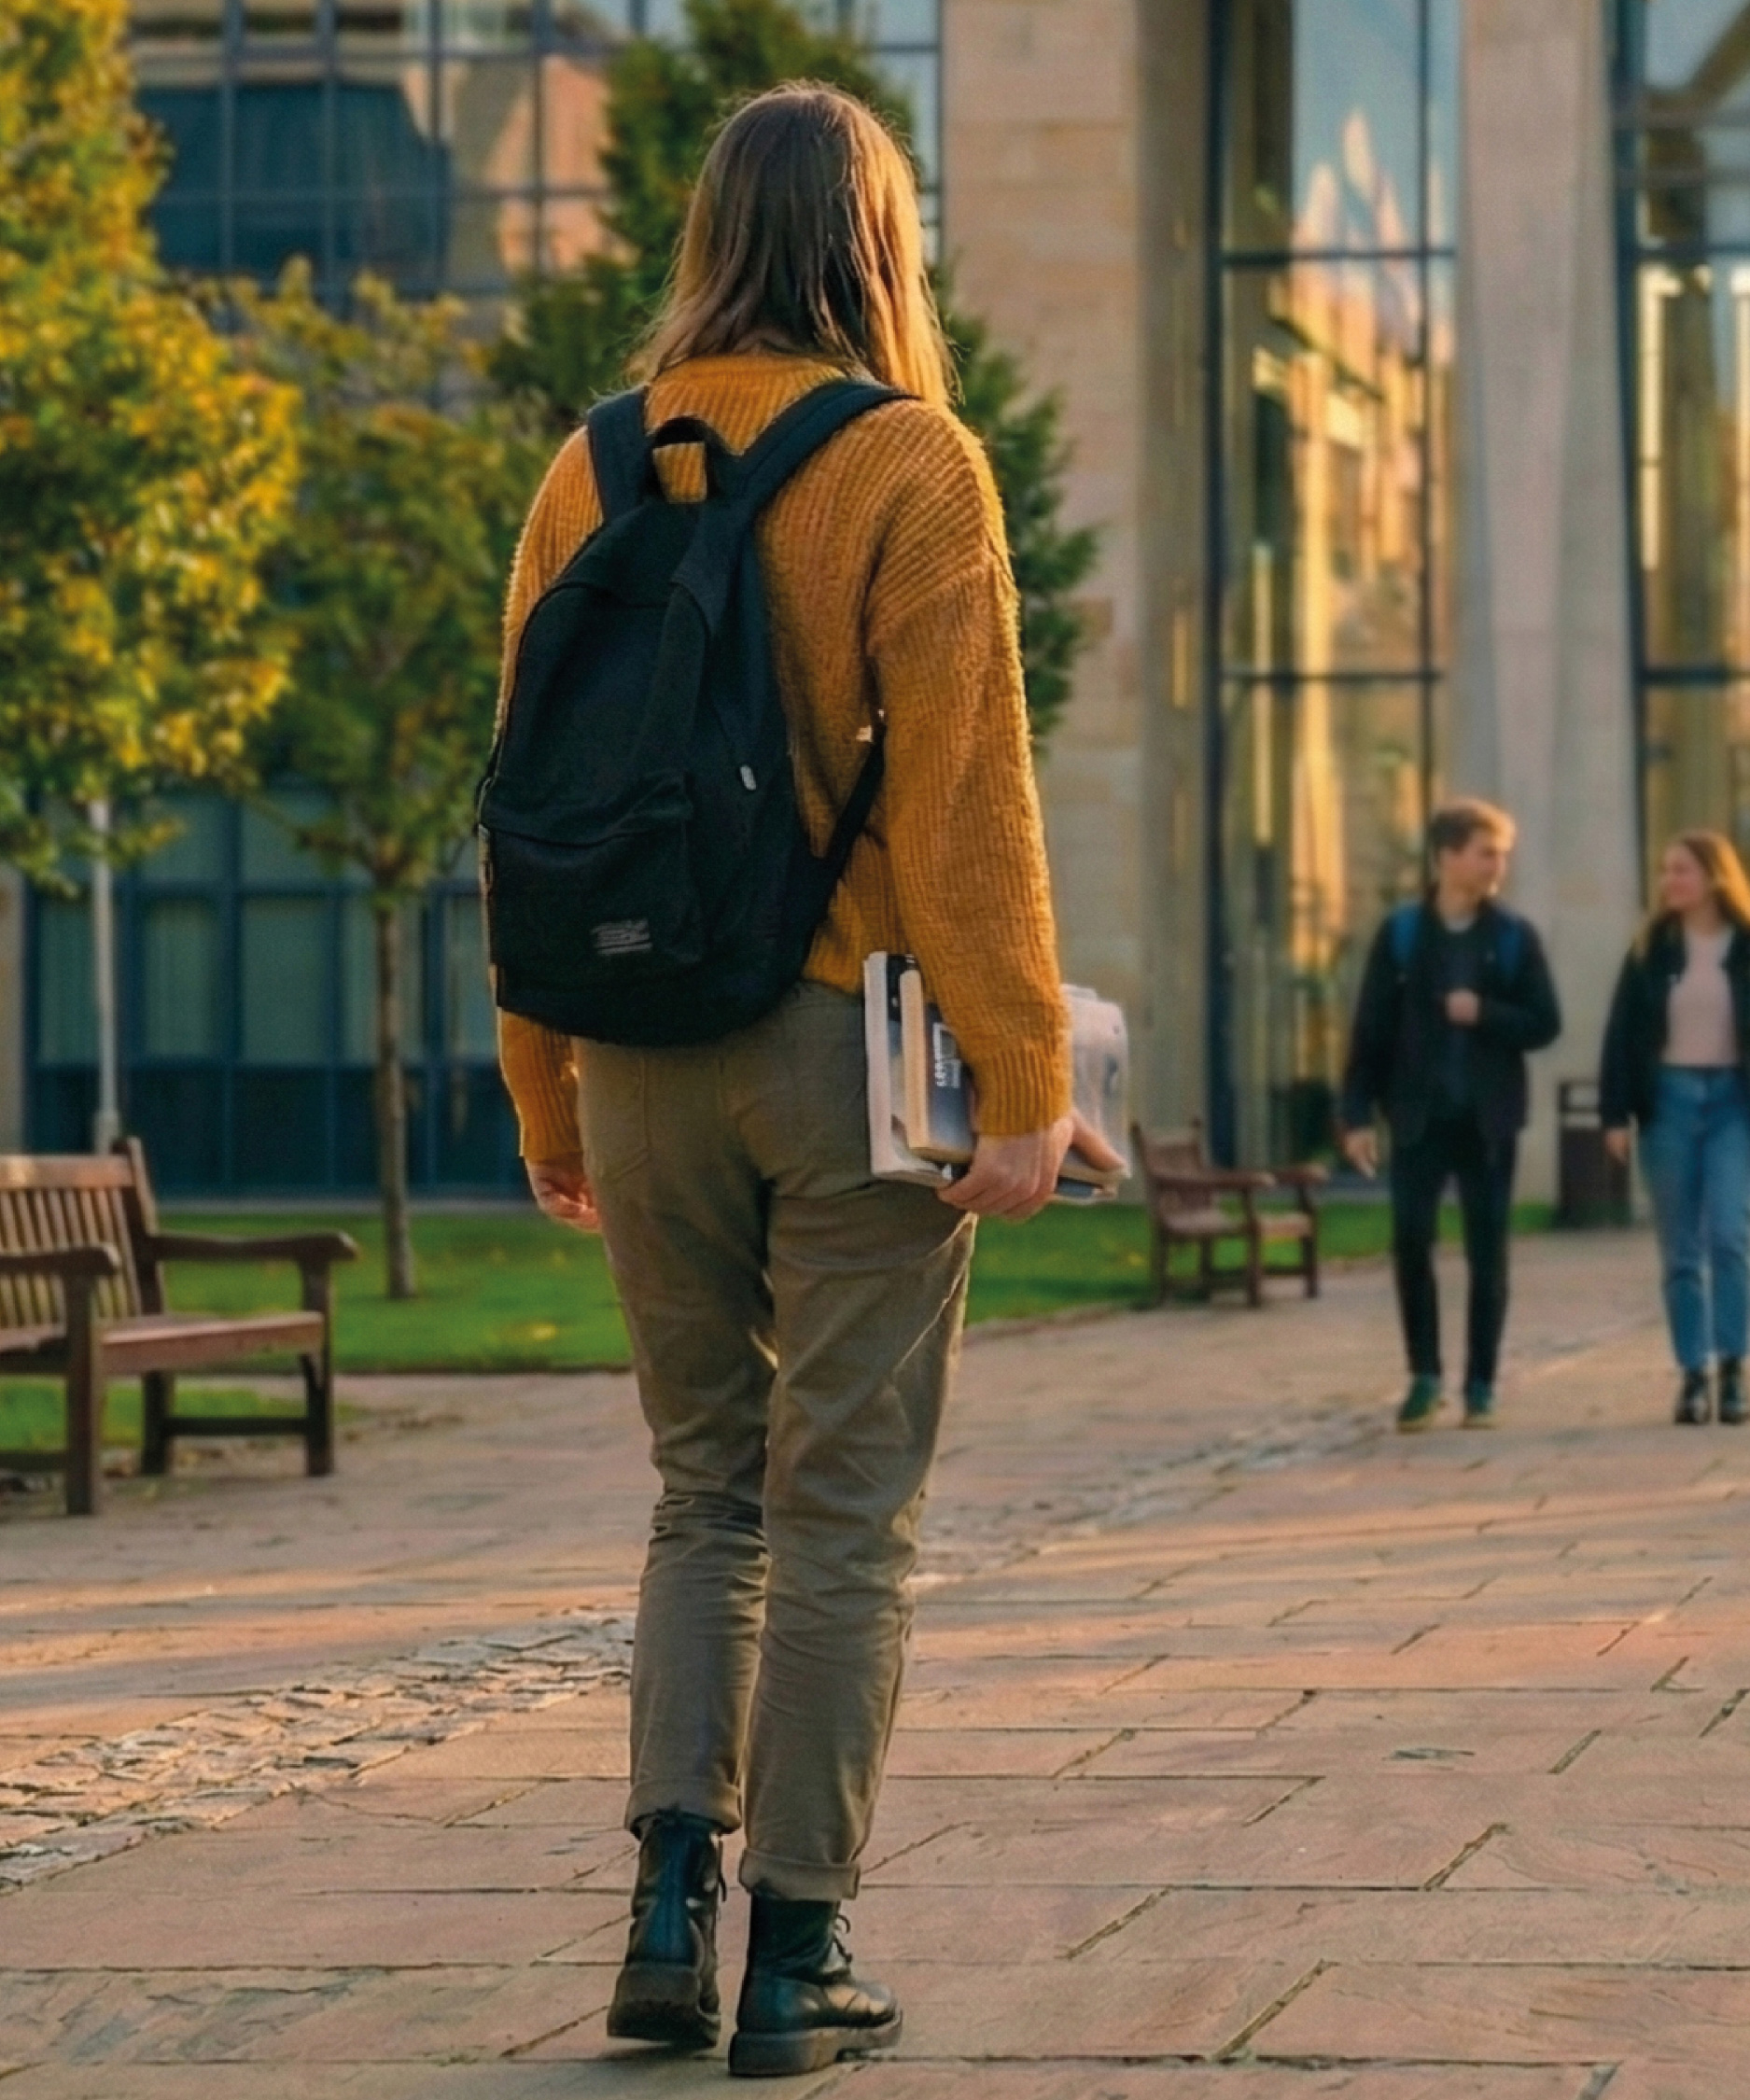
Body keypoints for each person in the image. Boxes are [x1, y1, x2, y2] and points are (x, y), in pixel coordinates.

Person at [496, 86, 1116, 2078]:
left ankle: (664, 1916)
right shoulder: (909, 463)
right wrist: (1020, 1074)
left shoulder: (587, 471)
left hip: (637, 1046)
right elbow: (965, 805)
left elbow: (528, 808)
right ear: (877, 239)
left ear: (705, 232)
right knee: (846, 1507)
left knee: (702, 1492)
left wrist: (546, 1090)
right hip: (846, 1049)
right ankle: (799, 1959)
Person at [1339, 800, 1564, 1431]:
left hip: (1488, 1122)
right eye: (1487, 851)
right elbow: (1371, 1031)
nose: (1499, 865)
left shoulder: (1513, 937)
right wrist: (1355, 1114)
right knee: (1412, 1242)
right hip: (1417, 1118)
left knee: (1488, 1251)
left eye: (1503, 854)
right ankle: (1425, 1376)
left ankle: (1482, 1384)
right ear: (1447, 856)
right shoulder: (1404, 936)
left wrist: (1485, 1011)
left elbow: (1546, 1022)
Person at [1596, 830, 1750, 1426]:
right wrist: (1615, 1115)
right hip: (1668, 1102)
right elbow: (1621, 1035)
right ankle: (1694, 1373)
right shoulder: (1650, 951)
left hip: (1735, 1104)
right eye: (1665, 871)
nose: (1669, 882)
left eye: (1681, 870)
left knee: (1730, 1236)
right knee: (1681, 1249)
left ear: (1715, 877)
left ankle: (1735, 1368)